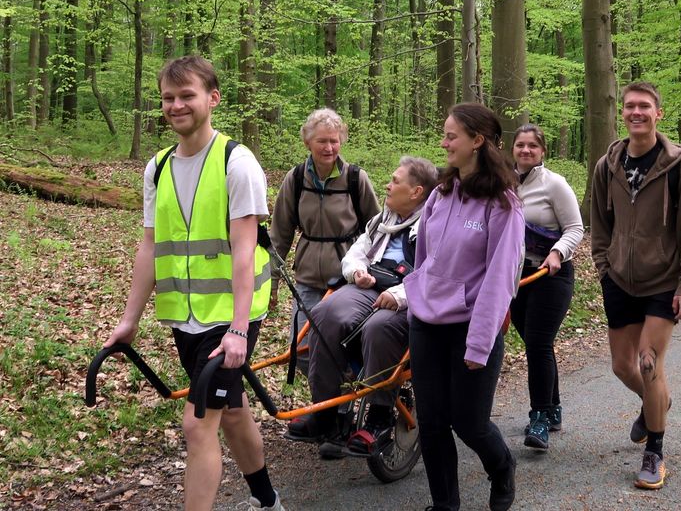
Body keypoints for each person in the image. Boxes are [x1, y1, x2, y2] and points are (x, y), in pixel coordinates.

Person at [103, 56, 286, 511]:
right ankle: (268, 502)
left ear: (213, 98)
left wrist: (240, 330)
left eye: (187, 96)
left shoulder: (237, 163)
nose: (176, 105)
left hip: (229, 317)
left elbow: (244, 252)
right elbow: (150, 246)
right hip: (184, 317)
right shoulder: (158, 167)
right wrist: (130, 320)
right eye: (168, 97)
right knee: (233, 413)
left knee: (198, 421)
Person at [404, 103, 524, 511]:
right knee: (433, 423)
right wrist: (414, 302)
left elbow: (499, 280)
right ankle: (445, 505)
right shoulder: (440, 192)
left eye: (451, 135)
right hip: (426, 325)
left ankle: (502, 466)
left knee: (469, 423)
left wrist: (479, 343)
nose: (443, 142)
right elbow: (423, 258)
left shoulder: (503, 204)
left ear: (477, 141)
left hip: (471, 328)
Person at [591, 81, 681, 490]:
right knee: (623, 365)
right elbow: (600, 225)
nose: (636, 112)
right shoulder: (608, 165)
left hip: (664, 279)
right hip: (619, 278)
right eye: (629, 106)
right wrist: (604, 266)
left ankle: (654, 451)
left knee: (648, 363)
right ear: (621, 113)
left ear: (658, 113)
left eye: (644, 106)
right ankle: (656, 402)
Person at [285, 156, 438, 458]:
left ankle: (379, 419)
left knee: (379, 328)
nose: (388, 184)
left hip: (409, 294)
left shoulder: (434, 225)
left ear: (417, 191)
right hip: (369, 285)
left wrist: (398, 295)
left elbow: (435, 273)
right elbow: (356, 252)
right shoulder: (383, 219)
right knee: (324, 314)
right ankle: (325, 413)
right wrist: (356, 272)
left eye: (395, 180)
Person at [269, 109, 380, 374]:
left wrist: (374, 276)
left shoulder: (355, 179)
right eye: (322, 141)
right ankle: (323, 408)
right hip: (307, 279)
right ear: (307, 142)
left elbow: (377, 231)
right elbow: (279, 235)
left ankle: (339, 412)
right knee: (302, 350)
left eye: (334, 140)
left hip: (347, 282)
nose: (329, 147)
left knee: (342, 350)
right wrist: (271, 283)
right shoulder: (295, 179)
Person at [509, 124, 584, 451]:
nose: (526, 151)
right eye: (520, 145)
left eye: (532, 147)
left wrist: (557, 253)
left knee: (538, 343)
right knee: (536, 342)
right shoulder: (505, 184)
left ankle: (539, 417)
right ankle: (553, 410)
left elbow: (575, 228)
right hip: (516, 278)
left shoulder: (555, 184)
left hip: (551, 276)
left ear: (542, 152)